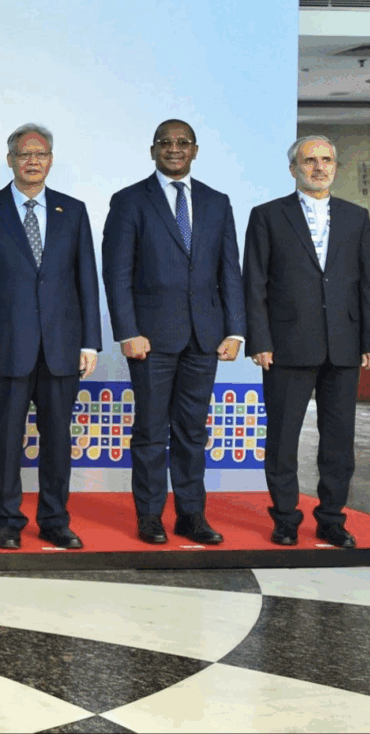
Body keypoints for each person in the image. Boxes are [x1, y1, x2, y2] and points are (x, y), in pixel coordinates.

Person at [102, 119, 245, 546]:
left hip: (205, 336)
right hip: (150, 339)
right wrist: (127, 331)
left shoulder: (217, 202)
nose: (174, 148)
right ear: (153, 150)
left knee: (192, 431)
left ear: (195, 150)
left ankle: (191, 516)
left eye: (183, 142)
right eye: (165, 142)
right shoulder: (129, 201)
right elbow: (117, 273)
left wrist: (235, 331)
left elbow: (230, 271)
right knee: (150, 431)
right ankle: (149, 516)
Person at [0, 123, 101, 551]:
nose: (32, 161)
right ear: (11, 160)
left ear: (51, 161)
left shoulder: (73, 211)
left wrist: (90, 341)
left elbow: (87, 280)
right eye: (24, 154)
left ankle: (55, 521)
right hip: (6, 347)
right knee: (6, 441)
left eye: (40, 154)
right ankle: (7, 522)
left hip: (62, 348)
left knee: (57, 440)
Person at [244, 134, 370, 549]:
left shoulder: (356, 217)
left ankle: (332, 520)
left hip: (344, 344)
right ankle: (285, 519)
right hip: (286, 345)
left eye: (326, 160)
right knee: (283, 440)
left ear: (335, 166)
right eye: (309, 161)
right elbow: (254, 283)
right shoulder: (267, 216)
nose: (319, 167)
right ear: (293, 169)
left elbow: (367, 284)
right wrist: (259, 339)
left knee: (339, 442)